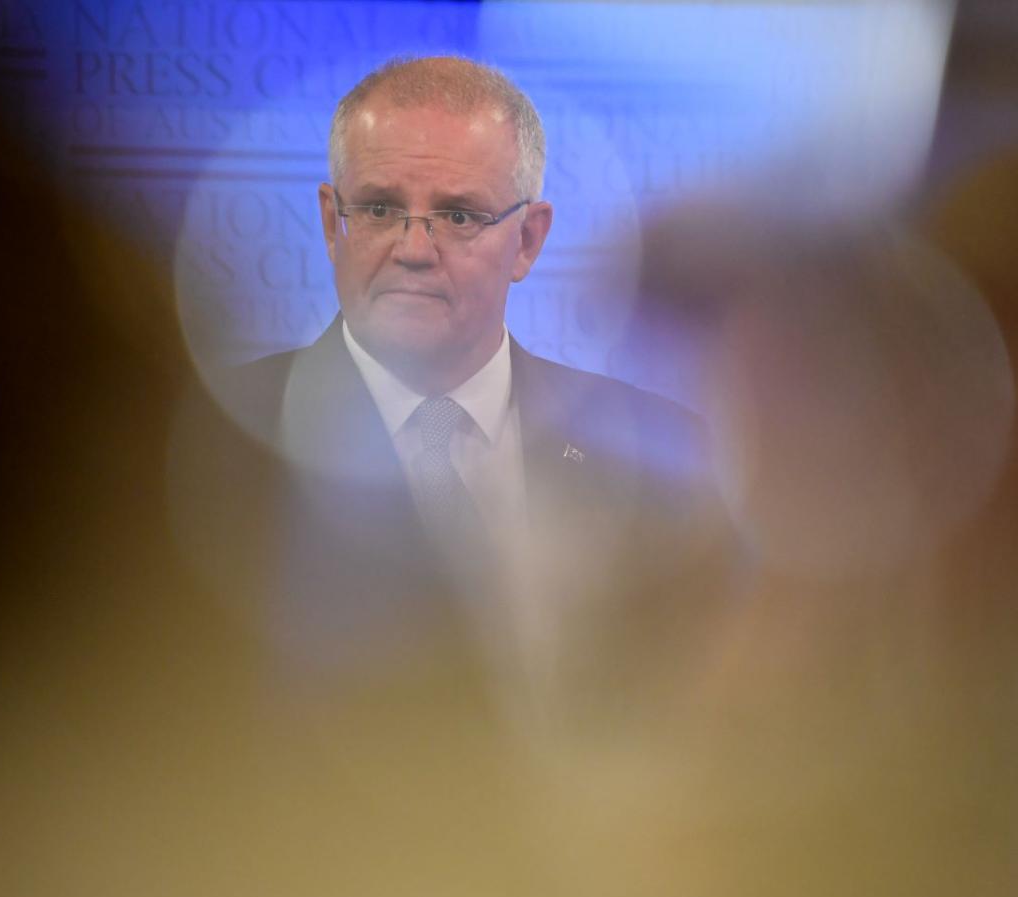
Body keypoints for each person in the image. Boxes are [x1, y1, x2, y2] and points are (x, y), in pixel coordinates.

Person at [199, 56, 731, 711]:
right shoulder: (219, 446)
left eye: (457, 216)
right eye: (378, 208)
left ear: (529, 240)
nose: (414, 249)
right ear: (332, 222)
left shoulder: (650, 455)